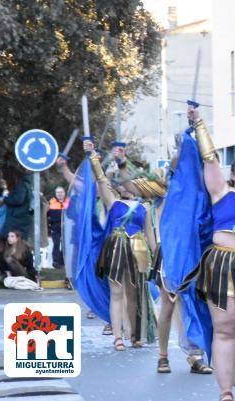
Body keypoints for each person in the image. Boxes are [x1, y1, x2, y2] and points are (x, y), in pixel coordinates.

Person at [184, 106, 235, 401]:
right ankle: (225, 391)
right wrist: (199, 125)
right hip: (223, 266)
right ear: (232, 174)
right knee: (226, 328)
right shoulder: (221, 193)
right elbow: (209, 159)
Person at [112, 145, 212, 375]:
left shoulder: (200, 193)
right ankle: (163, 356)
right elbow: (129, 185)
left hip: (195, 258)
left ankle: (196, 356)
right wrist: (122, 164)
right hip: (169, 257)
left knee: (195, 306)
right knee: (168, 306)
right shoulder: (162, 191)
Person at [83, 139, 156, 351]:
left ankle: (133, 333)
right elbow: (100, 178)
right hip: (116, 249)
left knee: (134, 294)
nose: (124, 184)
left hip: (138, 252)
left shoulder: (145, 207)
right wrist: (93, 155)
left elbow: (150, 235)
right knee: (117, 293)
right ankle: (117, 336)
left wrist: (158, 258)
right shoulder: (112, 202)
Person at [47, 186, 69, 268]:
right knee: (56, 244)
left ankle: (62, 261)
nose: (59, 194)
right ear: (55, 193)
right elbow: (46, 214)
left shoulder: (68, 202)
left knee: (65, 244)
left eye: (61, 192)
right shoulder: (51, 202)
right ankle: (56, 261)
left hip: (66, 226)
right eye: (58, 192)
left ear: (64, 193)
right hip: (55, 226)